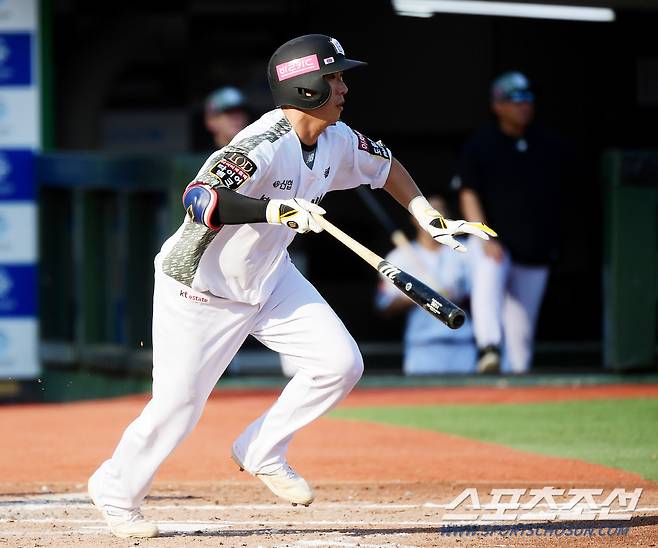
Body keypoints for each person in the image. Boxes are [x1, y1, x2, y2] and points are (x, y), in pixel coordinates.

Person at [87, 34, 495, 539]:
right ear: (304, 87)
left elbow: (388, 168)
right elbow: (198, 200)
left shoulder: (337, 138)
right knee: (178, 406)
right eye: (334, 77)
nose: (343, 87)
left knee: (341, 363)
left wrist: (427, 217)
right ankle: (116, 489)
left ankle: (261, 447)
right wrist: (272, 209)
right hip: (199, 287)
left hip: (268, 275)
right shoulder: (260, 144)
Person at [456, 71, 564, 375]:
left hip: (534, 248)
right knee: (487, 267)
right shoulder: (482, 143)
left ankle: (516, 384)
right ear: (498, 105)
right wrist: (484, 236)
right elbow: (468, 192)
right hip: (496, 243)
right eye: (515, 99)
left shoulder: (547, 143)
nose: (524, 105)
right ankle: (488, 345)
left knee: (521, 333)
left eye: (527, 98)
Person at [376, 195, 477, 375]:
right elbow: (384, 306)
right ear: (414, 218)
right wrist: (419, 295)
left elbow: (485, 297)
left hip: (462, 344)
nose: (436, 216)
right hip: (422, 347)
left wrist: (454, 295)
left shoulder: (466, 251)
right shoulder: (398, 257)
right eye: (430, 210)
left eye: (441, 211)